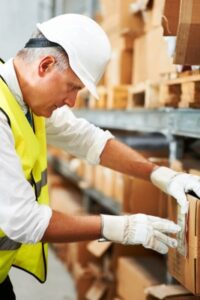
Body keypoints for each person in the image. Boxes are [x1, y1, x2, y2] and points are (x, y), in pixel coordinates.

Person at [0, 13, 199, 299]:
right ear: (45, 66)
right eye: (73, 87)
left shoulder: (22, 97)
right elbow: (25, 221)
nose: (72, 101)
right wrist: (121, 227)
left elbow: (88, 139)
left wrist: (160, 175)